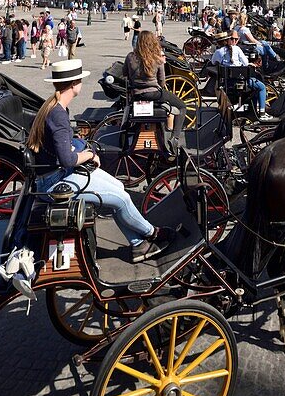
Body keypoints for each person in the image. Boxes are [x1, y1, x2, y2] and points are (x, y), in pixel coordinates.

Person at [28, 59, 175, 263]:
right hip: (56, 182)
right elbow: (68, 159)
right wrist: (89, 155)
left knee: (118, 188)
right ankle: (152, 233)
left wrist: (80, 147)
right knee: (121, 199)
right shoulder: (59, 114)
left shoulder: (54, 107)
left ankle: (137, 244)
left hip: (57, 175)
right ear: (74, 84)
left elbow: (65, 146)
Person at [122, 31, 186, 151]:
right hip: (154, 94)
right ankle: (175, 138)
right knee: (182, 106)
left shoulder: (130, 56)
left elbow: (125, 74)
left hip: (136, 94)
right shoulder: (157, 59)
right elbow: (161, 82)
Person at [211, 31, 270, 120]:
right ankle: (262, 113)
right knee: (261, 87)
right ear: (228, 40)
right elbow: (245, 63)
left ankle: (252, 111)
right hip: (241, 81)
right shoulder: (237, 49)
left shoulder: (218, 52)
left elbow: (213, 62)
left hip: (227, 82)